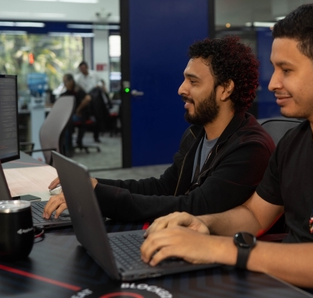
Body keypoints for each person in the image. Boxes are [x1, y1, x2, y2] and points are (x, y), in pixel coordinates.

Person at [139, 2, 313, 298]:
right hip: (284, 288)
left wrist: (217, 248)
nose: (273, 82)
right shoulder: (293, 142)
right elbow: (253, 216)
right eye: (275, 69)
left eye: (286, 70)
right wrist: (202, 225)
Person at [44, 36, 276, 223]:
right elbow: (164, 188)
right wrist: (93, 184)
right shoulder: (197, 134)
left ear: (225, 89)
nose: (181, 89)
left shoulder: (250, 149)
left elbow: (193, 208)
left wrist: (100, 196)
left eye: (193, 82)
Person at [60, 74, 92, 155]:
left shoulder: (78, 89)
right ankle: (62, 148)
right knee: (62, 121)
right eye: (63, 82)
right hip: (71, 115)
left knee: (67, 122)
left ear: (71, 81)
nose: (64, 84)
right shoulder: (67, 92)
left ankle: (68, 149)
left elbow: (88, 98)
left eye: (65, 82)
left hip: (81, 115)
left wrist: (78, 109)